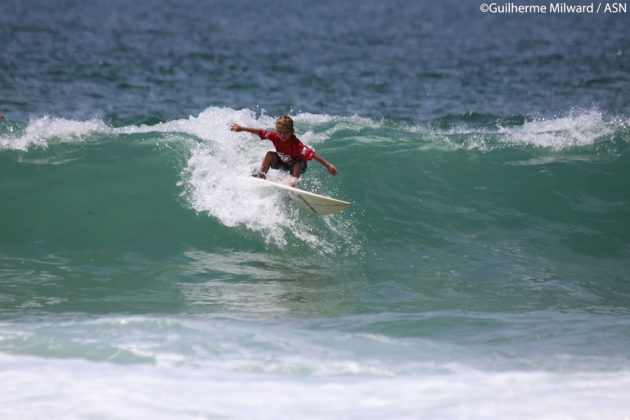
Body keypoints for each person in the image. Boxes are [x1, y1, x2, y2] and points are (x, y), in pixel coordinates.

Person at [230, 115, 337, 186]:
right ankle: (262, 175)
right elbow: (260, 132)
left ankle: (292, 183)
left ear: (292, 131)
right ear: (276, 131)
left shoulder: (297, 144)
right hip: (283, 163)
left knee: (298, 162)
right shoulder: (274, 136)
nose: (282, 135)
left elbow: (313, 155)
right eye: (279, 132)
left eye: (285, 133)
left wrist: (328, 166)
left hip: (297, 167)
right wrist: (242, 128)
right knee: (270, 154)